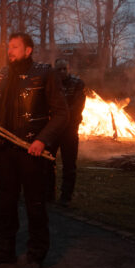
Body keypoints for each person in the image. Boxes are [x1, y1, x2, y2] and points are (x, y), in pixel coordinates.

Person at [0, 33, 68, 268]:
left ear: (28, 50)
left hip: (32, 150)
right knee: (5, 202)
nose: (10, 51)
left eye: (15, 47)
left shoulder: (45, 73)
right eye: (9, 47)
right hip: (6, 149)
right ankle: (4, 249)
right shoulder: (1, 76)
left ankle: (36, 253)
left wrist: (42, 140)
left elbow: (61, 114)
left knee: (35, 203)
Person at [50, 59, 86, 205]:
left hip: (69, 130)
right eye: (59, 69)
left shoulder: (77, 84)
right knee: (48, 162)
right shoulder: (51, 84)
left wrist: (62, 119)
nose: (62, 72)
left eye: (65, 69)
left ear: (69, 68)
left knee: (69, 164)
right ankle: (48, 193)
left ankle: (66, 197)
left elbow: (77, 107)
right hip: (52, 130)